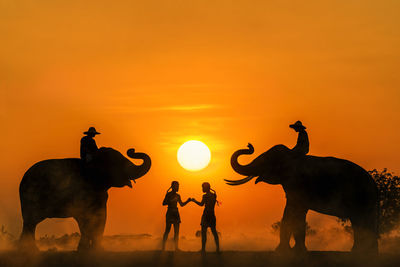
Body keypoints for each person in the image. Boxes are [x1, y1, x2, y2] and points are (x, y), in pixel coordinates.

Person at [162, 181, 190, 251]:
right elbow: (163, 203)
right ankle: (163, 248)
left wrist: (188, 201)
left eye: (178, 186)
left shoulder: (178, 195)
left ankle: (176, 248)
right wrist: (171, 201)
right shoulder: (168, 194)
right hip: (170, 212)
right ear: (172, 187)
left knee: (176, 232)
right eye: (176, 186)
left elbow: (182, 204)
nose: (177, 187)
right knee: (167, 230)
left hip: (176, 213)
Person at [192, 182, 220, 253]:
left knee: (204, 233)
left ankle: (203, 249)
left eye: (203, 187)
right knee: (214, 232)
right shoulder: (214, 195)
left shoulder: (205, 196)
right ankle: (218, 249)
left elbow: (201, 204)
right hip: (212, 215)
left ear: (206, 188)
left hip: (206, 215)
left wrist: (194, 201)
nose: (202, 189)